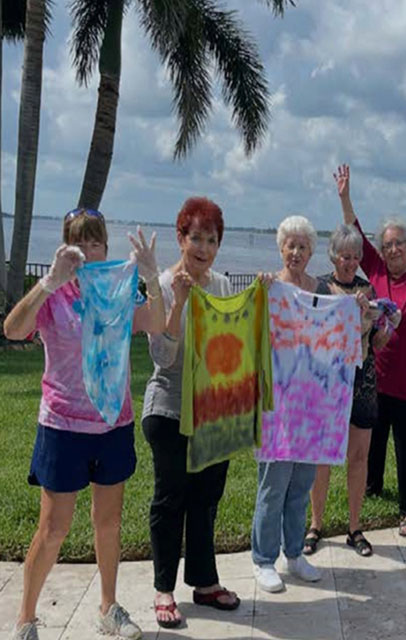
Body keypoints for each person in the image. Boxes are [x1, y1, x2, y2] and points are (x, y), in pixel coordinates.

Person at [5, 209, 164, 640]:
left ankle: (109, 608)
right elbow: (13, 329)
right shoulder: (53, 296)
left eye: (96, 243)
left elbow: (158, 322)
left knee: (108, 523)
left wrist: (150, 277)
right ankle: (25, 619)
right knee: (54, 528)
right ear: (65, 249)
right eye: (80, 243)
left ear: (106, 250)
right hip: (62, 425)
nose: (89, 252)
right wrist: (48, 282)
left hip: (112, 424)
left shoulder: (117, 293)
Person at [335, 164, 406, 536]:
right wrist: (345, 197)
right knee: (374, 436)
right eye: (387, 245)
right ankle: (370, 487)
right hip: (376, 372)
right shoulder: (376, 272)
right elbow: (355, 234)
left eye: (399, 243)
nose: (393, 248)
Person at [141, 198, 239, 629]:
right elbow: (163, 355)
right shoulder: (161, 285)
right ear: (181, 238)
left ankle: (203, 582)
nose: (203, 247)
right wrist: (179, 302)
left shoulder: (220, 285)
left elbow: (237, 344)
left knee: (206, 499)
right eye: (195, 237)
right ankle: (164, 589)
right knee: (171, 498)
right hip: (168, 409)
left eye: (211, 239)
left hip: (213, 413)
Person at [304, 223, 395, 558]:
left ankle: (355, 528)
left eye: (356, 257)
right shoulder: (319, 288)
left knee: (358, 457)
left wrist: (386, 323)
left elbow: (378, 340)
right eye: (345, 256)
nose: (350, 262)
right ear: (333, 255)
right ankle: (315, 525)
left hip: (362, 380)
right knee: (323, 457)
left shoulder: (368, 290)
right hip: (327, 381)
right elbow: (308, 334)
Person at [250, 216, 327, 592]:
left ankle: (294, 553)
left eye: (303, 246)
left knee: (301, 483)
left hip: (312, 404)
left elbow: (342, 325)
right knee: (273, 484)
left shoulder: (322, 289)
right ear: (281, 248)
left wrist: (360, 308)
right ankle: (263, 559)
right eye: (290, 245)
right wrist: (260, 294)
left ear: (311, 252)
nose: (296, 252)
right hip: (277, 402)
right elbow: (250, 332)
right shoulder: (270, 287)